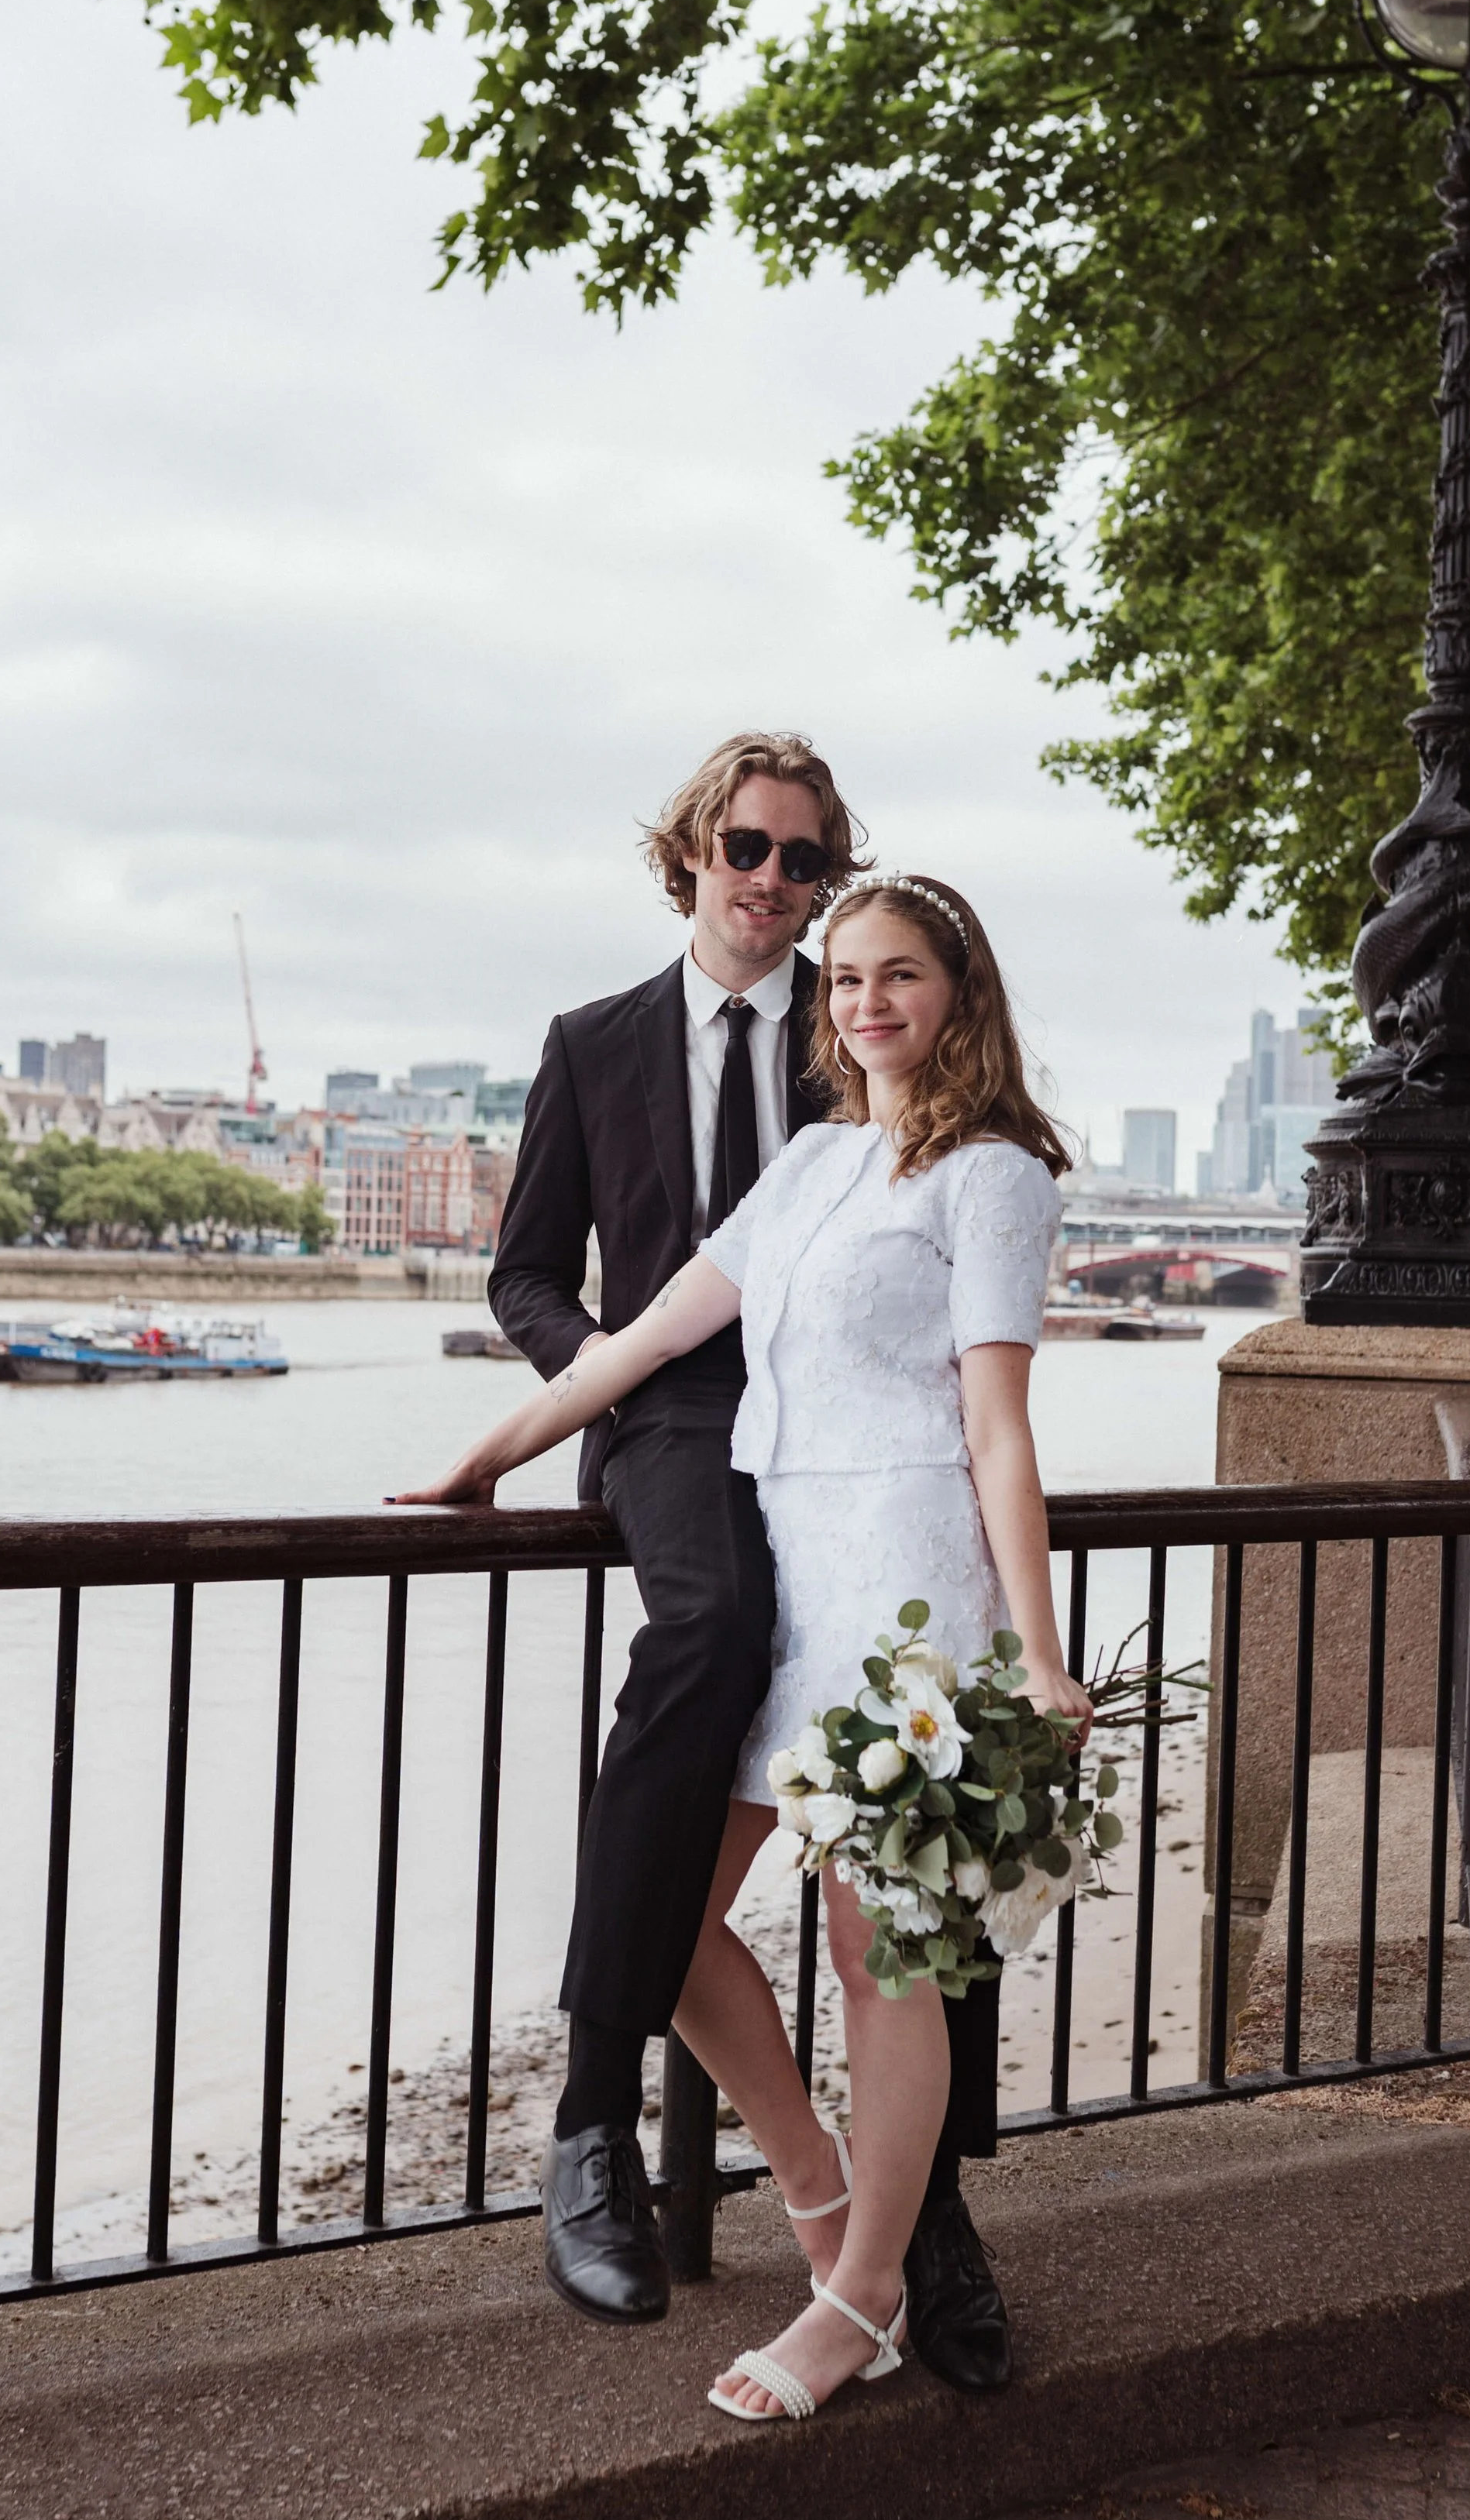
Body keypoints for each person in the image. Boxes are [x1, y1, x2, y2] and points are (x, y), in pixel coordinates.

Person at [396, 868, 1090, 2421]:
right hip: (790, 1582)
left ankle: (851, 2307)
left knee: (879, 1959)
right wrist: (486, 1455)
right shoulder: (806, 1172)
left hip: (908, 1590)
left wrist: (1035, 1661)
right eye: (843, 980)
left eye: (897, 975)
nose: (863, 1003)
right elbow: (633, 1346)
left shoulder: (994, 1176)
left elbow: (996, 1432)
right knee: (675, 1922)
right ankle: (825, 2191)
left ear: (957, 994)